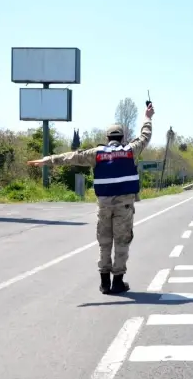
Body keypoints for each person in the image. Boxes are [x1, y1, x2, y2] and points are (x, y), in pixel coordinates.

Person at [27, 104, 154, 294]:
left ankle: (104, 283)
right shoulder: (130, 150)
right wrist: (147, 116)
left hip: (104, 205)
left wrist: (47, 160)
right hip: (125, 205)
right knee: (121, 241)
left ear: (107, 138)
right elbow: (145, 136)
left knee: (105, 242)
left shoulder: (97, 154)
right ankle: (118, 282)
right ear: (122, 138)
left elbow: (72, 157)